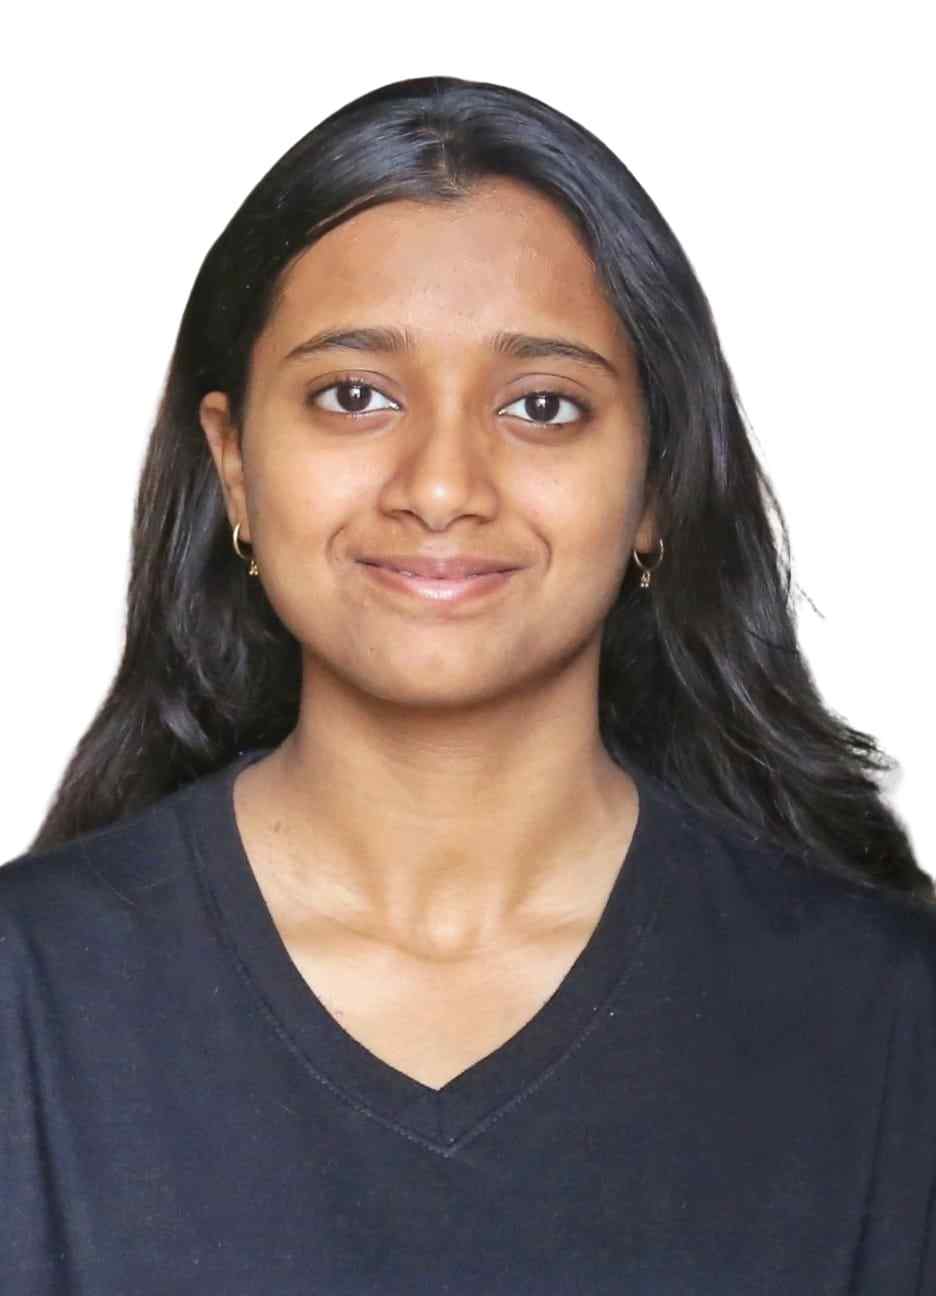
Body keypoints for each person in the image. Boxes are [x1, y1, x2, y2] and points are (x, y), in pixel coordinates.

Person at [2, 74, 933, 1294]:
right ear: (233, 464)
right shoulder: (28, 1001)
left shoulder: (889, 1026)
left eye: (542, 406)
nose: (441, 487)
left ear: (657, 482)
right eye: (355, 396)